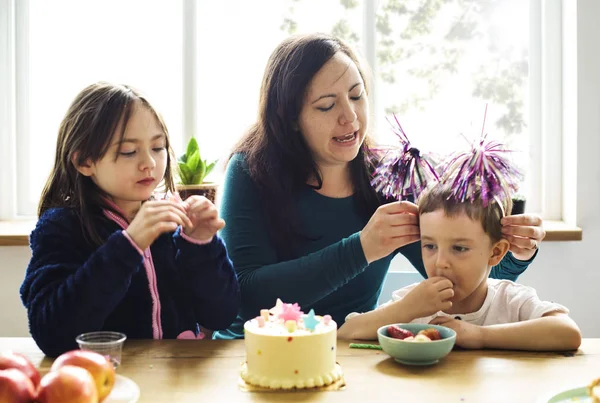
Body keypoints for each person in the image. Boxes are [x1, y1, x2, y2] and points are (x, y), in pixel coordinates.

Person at [213, 33, 545, 339]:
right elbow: (245, 295)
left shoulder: (388, 178)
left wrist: (518, 252)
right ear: (289, 118)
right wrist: (361, 249)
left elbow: (468, 280)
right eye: (327, 106)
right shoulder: (250, 170)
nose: (350, 117)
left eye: (357, 96)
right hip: (254, 353)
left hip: (348, 355)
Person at [20, 82, 240, 357]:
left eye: (158, 148)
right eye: (128, 151)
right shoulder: (60, 228)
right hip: (110, 383)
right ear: (84, 162)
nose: (148, 162)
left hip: (178, 385)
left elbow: (221, 315)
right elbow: (51, 333)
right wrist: (128, 245)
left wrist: (201, 245)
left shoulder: (173, 223)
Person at [337, 181, 581, 351]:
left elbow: (567, 332)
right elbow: (347, 333)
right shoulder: (413, 302)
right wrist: (404, 310)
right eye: (430, 247)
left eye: (459, 248)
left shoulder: (510, 300)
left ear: (496, 252)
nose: (440, 263)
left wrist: (479, 336)